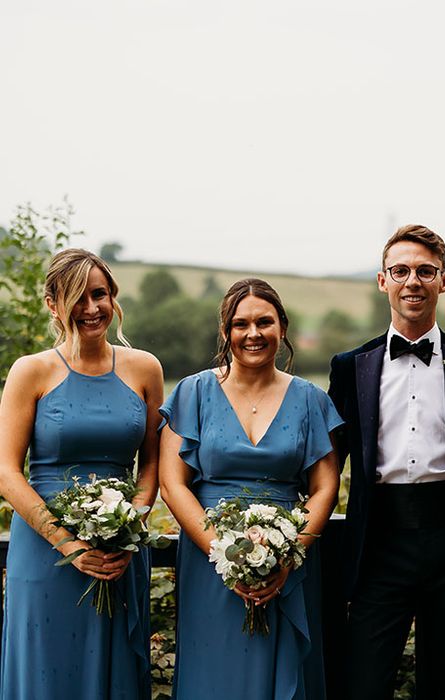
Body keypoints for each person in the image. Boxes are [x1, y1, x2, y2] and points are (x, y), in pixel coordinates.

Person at [328, 224, 445, 700]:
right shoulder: (350, 366)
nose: (413, 282)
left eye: (426, 271)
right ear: (382, 280)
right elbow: (328, 459)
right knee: (362, 682)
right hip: (377, 540)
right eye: (400, 271)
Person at [159, 277, 341, 700]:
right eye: (241, 324)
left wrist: (289, 555)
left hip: (288, 562)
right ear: (225, 331)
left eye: (265, 322)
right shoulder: (194, 392)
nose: (253, 333)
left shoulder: (311, 399)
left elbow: (325, 486)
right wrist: (225, 554)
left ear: (283, 327)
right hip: (210, 565)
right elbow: (172, 483)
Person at [0, 248, 163, 699]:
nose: (91, 309)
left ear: (113, 296)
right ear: (53, 305)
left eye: (99, 294)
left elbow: (151, 465)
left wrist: (130, 527)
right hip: (46, 552)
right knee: (47, 673)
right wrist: (69, 545)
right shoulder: (30, 371)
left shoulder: (145, 369)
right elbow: (7, 473)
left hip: (118, 555)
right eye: (76, 298)